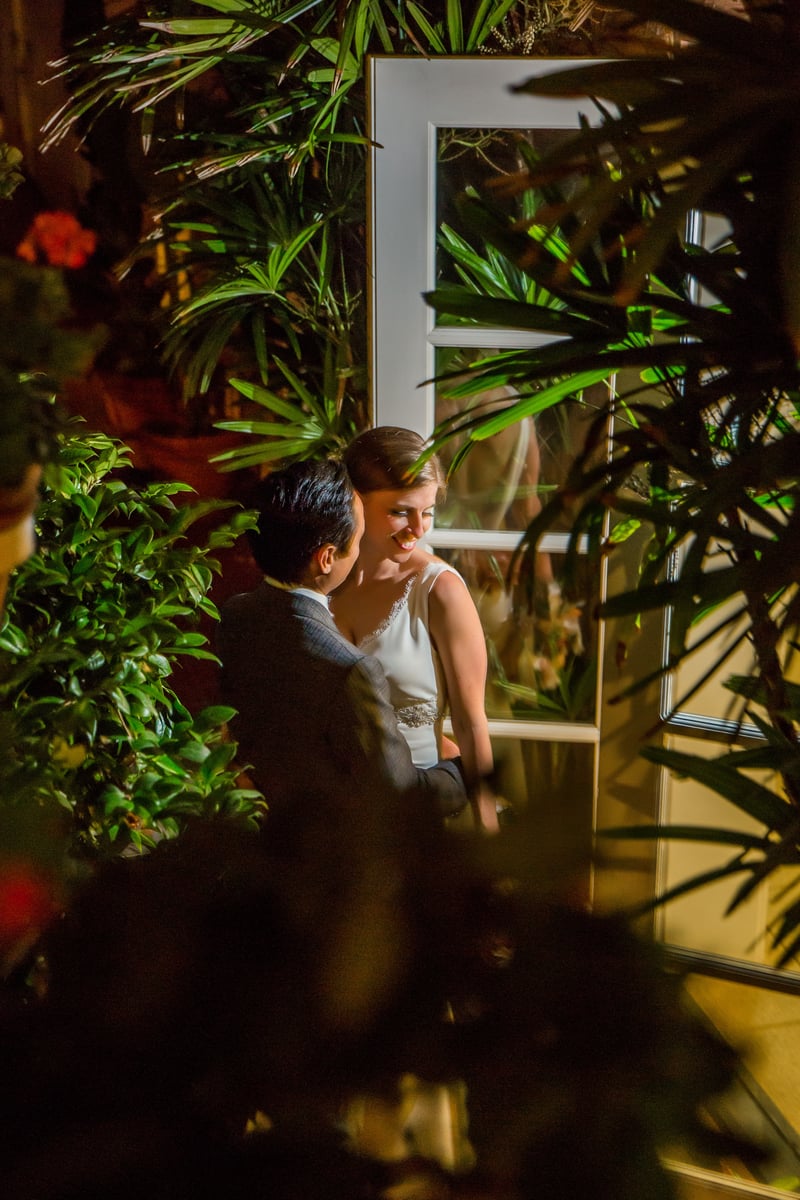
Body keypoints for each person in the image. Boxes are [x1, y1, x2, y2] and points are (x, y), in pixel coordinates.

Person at [217, 457, 467, 820]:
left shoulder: (235, 615)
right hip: (336, 842)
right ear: (327, 558)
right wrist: (458, 772)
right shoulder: (349, 669)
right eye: (358, 537)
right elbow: (399, 796)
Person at [332, 427, 498, 833]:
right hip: (331, 818)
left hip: (414, 819)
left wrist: (489, 834)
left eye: (428, 512)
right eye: (401, 511)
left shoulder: (440, 590)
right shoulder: (319, 580)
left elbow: (471, 724)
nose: (418, 529)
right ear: (354, 500)